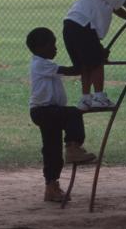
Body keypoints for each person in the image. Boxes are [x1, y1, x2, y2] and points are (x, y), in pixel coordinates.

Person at [26, 27, 97, 202]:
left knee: (52, 150)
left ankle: (51, 186)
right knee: (73, 113)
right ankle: (73, 147)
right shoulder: (40, 64)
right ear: (40, 48)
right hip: (44, 111)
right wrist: (89, 60)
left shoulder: (44, 63)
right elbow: (72, 70)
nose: (56, 48)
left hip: (49, 111)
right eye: (52, 45)